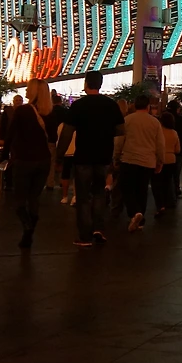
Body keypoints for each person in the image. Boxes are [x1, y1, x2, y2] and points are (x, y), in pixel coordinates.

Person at [66, 72, 125, 247]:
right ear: (100, 84)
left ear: (86, 84)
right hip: (103, 155)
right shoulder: (111, 105)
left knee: (83, 196)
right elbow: (121, 130)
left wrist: (60, 155)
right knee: (99, 192)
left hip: (83, 156)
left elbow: (67, 132)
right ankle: (98, 228)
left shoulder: (78, 105)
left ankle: (85, 236)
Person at [2, 79, 52, 248]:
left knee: (19, 199)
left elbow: (10, 134)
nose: (25, 92)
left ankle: (27, 226)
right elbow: (53, 137)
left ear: (33, 91)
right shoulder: (50, 112)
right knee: (34, 197)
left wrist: (5, 155)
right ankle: (28, 234)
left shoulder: (22, 111)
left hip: (24, 159)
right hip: (44, 159)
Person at [115, 94, 166, 231]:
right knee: (142, 190)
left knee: (126, 187)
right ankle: (140, 220)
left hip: (129, 159)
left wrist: (116, 157)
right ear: (148, 106)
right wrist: (160, 161)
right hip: (148, 161)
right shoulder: (155, 122)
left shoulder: (127, 120)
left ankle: (135, 212)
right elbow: (160, 144)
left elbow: (119, 141)